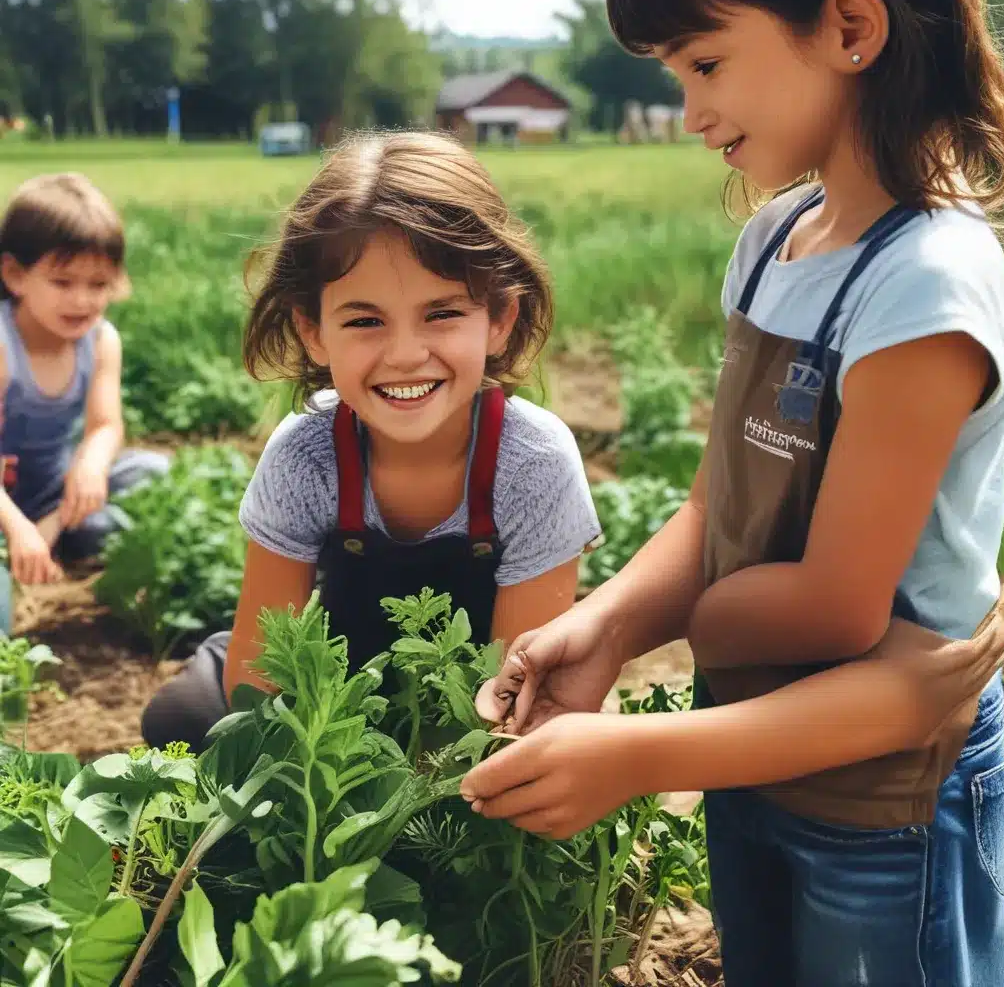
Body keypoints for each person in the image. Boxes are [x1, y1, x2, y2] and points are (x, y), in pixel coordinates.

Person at [462, 0, 1004, 985]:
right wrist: (611, 625)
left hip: (885, 789)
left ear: (850, 26)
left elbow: (835, 611)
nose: (690, 112)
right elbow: (716, 505)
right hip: (751, 748)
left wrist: (662, 696)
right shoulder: (774, 240)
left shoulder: (925, 283)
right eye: (676, 75)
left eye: (706, 64)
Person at [141, 130, 601, 751]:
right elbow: (259, 673)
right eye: (364, 321)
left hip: (467, 717)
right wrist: (316, 784)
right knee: (187, 714)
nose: (406, 356)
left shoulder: (533, 463)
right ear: (313, 333)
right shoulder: (306, 454)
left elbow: (512, 690)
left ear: (499, 319)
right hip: (333, 712)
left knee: (532, 753)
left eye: (442, 314)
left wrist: (421, 790)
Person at [0, 173, 169, 631]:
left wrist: (90, 467)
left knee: (152, 474)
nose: (82, 300)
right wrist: (18, 532)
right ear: (15, 275)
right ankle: (34, 549)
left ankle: (58, 535)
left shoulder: (100, 341)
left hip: (50, 491)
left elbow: (104, 427)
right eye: (62, 281)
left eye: (98, 284)